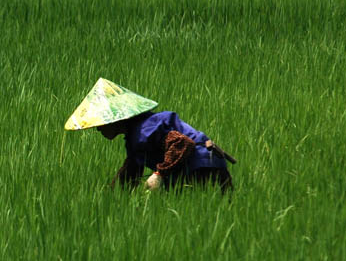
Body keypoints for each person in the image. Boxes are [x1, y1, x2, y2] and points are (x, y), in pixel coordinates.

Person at [64, 78, 234, 192]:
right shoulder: (134, 137)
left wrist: (159, 174)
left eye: (100, 124)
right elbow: (131, 170)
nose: (98, 129)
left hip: (202, 167)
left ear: (114, 120)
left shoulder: (145, 130)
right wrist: (112, 196)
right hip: (199, 166)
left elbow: (182, 143)